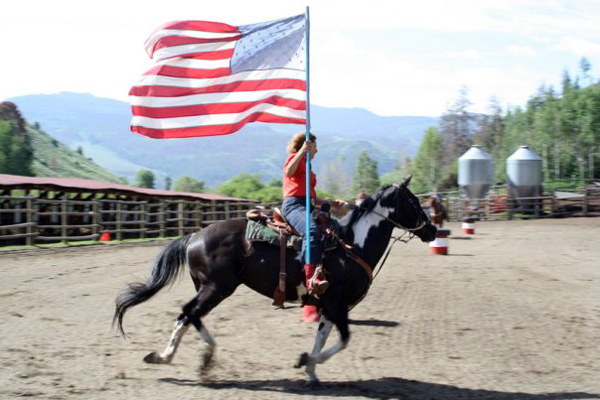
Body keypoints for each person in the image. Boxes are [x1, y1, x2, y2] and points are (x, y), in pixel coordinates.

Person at [281, 132, 346, 297]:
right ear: (307, 146)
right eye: (314, 147)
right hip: (293, 205)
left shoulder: (307, 165)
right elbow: (288, 172)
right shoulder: (295, 158)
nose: (316, 151)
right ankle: (310, 277)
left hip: (306, 205)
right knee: (311, 231)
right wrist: (302, 151)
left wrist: (331, 202)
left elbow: (313, 198)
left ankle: (324, 268)